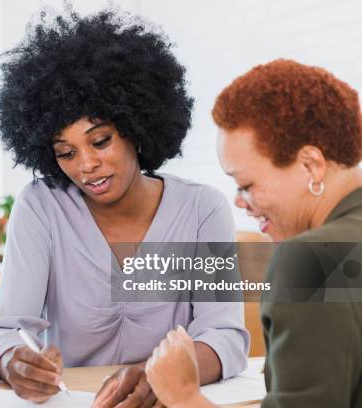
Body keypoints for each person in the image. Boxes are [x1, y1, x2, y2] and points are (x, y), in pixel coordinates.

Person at [0, 8, 249, 406]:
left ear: (136, 129)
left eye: (101, 140)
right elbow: (8, 329)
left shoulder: (202, 209)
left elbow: (225, 336)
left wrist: (159, 375)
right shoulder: (41, 207)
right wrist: (14, 362)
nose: (86, 165)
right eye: (65, 152)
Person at [145, 59, 362, 407]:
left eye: (246, 184)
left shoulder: (309, 260)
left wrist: (183, 395)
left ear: (311, 165)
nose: (239, 201)